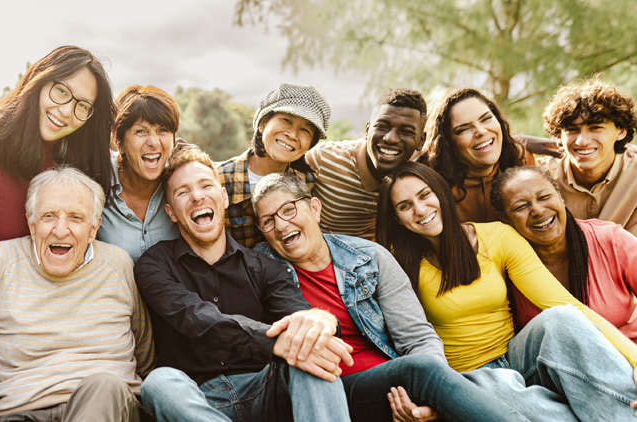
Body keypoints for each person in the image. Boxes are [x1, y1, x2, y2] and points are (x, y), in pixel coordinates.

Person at [251, 171, 527, 421]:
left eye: (288, 210)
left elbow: (418, 337)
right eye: (268, 221)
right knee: (422, 371)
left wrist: (426, 401)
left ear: (315, 208)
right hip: (324, 389)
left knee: (425, 370)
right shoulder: (260, 269)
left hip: (392, 386)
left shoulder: (369, 257)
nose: (281, 225)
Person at [376, 161, 637, 420]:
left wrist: (635, 359)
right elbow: (409, 341)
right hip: (469, 377)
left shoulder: (498, 237)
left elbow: (563, 303)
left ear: (440, 192)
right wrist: (438, 395)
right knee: (504, 391)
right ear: (397, 219)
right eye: (405, 206)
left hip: (518, 356)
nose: (421, 210)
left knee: (562, 317)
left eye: (425, 195)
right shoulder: (398, 264)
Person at [135, 146, 353, 421]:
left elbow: (299, 315)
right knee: (159, 382)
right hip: (196, 399)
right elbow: (195, 317)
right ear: (172, 212)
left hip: (265, 390)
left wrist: (318, 321)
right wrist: (274, 342)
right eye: (183, 192)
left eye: (205, 185)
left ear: (224, 197)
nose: (198, 196)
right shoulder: (154, 264)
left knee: (307, 353)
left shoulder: (265, 267)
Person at [0, 166, 153, 421]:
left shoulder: (118, 264)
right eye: (49, 216)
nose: (60, 230)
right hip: (21, 412)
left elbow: (145, 355)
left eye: (75, 217)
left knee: (104, 387)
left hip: (108, 408)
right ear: (31, 223)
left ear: (93, 228)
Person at [0, 46, 115, 283]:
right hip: (5, 300)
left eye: (82, 106)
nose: (67, 111)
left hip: (77, 296)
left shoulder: (84, 152)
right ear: (39, 82)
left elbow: (125, 159)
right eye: (61, 91)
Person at [492, 166, 637, 341]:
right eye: (521, 206)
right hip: (552, 365)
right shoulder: (502, 267)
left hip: (628, 356)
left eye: (544, 197)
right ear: (506, 219)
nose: (537, 210)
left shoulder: (610, 240)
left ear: (561, 197)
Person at [303, 88, 426, 240]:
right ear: (367, 130)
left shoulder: (419, 180)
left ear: (421, 141)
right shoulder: (323, 159)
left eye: (406, 131)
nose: (391, 138)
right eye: (382, 126)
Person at [217, 83, 330, 248]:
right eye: (286, 120)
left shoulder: (306, 181)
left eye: (305, 130)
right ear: (262, 124)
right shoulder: (219, 179)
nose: (292, 134)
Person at [536, 77, 637, 236]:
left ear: (621, 131)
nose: (582, 141)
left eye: (596, 128)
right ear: (558, 136)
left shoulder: (634, 173)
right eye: (572, 129)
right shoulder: (541, 178)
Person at [420, 88, 535, 223]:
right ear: (447, 142)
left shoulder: (522, 159)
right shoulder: (429, 184)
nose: (481, 131)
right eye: (463, 129)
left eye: (486, 118)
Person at [96, 85, 180, 261]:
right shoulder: (96, 180)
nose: (154, 142)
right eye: (141, 131)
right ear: (119, 142)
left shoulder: (181, 180)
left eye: (163, 130)